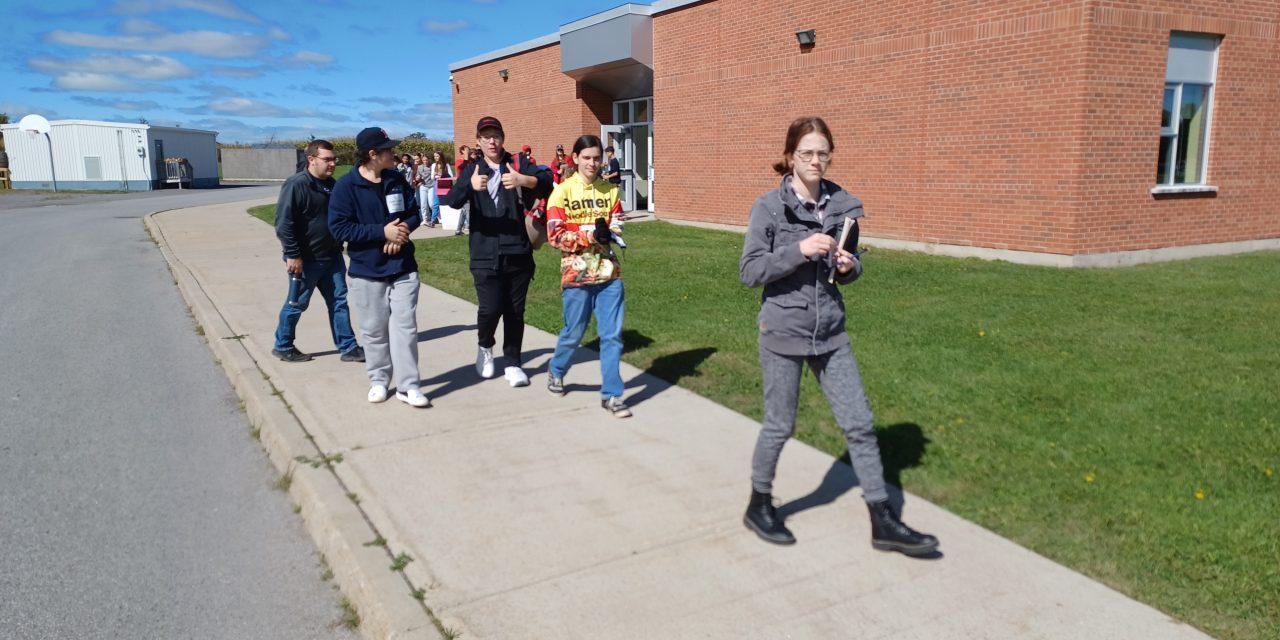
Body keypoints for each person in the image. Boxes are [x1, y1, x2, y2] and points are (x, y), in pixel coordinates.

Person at [738, 116, 939, 555]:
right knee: (779, 426)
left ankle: (882, 520)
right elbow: (751, 271)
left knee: (861, 426)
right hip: (783, 331)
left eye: (822, 153)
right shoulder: (769, 209)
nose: (815, 161)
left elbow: (849, 264)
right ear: (790, 156)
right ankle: (759, 503)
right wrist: (799, 250)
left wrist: (849, 267)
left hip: (830, 331)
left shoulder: (842, 205)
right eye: (806, 153)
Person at [444, 116, 553, 387]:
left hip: (517, 251)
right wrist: (469, 186)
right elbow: (452, 202)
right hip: (484, 252)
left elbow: (547, 181)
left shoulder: (517, 163)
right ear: (478, 141)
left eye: (496, 135)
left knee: (515, 311)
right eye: (486, 136)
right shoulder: (472, 169)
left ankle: (513, 363)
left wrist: (522, 180)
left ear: (503, 138)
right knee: (490, 309)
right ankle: (484, 346)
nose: (492, 141)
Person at [327, 127, 429, 408]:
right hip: (366, 270)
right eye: (388, 149)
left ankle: (409, 386)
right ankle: (379, 380)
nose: (393, 153)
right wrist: (381, 233)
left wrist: (403, 231)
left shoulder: (396, 179)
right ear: (373, 155)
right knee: (373, 330)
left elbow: (413, 213)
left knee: (405, 327)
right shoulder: (345, 188)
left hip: (403, 267)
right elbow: (339, 227)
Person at [545, 135, 630, 418]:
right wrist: (590, 235)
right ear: (576, 158)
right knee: (574, 332)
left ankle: (613, 396)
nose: (593, 163)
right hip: (576, 275)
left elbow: (618, 221)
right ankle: (556, 369)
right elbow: (554, 236)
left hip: (609, 274)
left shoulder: (611, 191)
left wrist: (613, 231)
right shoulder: (562, 192)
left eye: (597, 158)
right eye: (587, 158)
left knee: (612, 336)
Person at [270, 139, 364, 364]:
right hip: (305, 260)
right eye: (327, 159)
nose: (332, 163)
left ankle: (348, 347)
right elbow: (283, 223)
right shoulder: (297, 184)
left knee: (339, 302)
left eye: (334, 159)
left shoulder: (332, 185)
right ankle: (283, 346)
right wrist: (293, 254)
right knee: (297, 304)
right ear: (311, 159)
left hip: (331, 257)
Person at [414, 154, 437, 228]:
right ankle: (425, 219)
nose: (425, 161)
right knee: (423, 204)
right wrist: (418, 178)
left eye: (426, 160)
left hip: (431, 186)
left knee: (431, 204)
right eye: (423, 160)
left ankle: (435, 217)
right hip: (423, 186)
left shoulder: (432, 166)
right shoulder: (420, 167)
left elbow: (434, 176)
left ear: (429, 160)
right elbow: (418, 176)